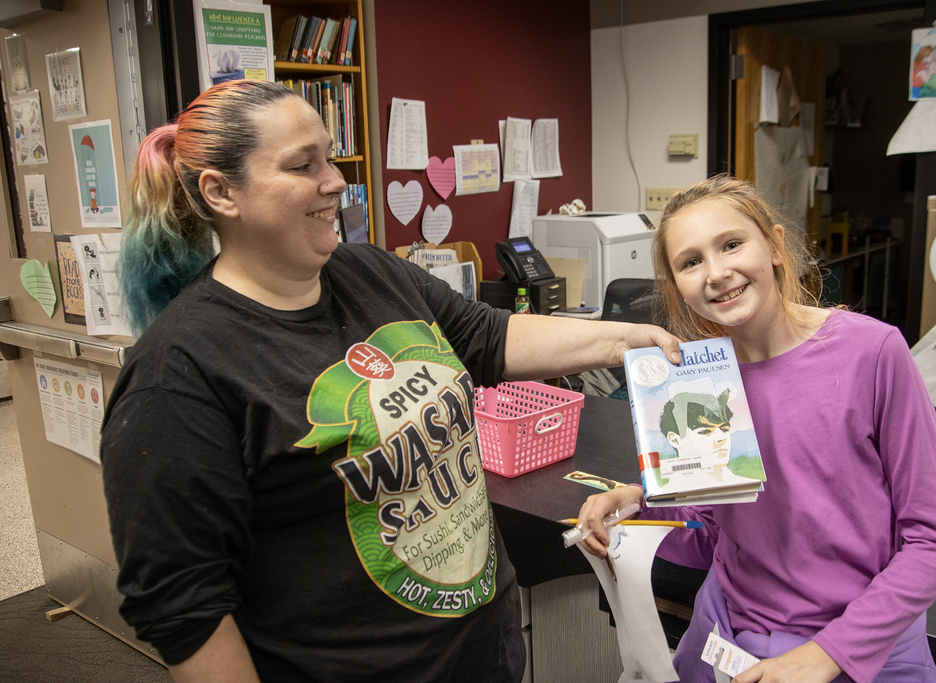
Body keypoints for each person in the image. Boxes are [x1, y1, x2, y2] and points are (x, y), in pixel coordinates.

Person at [100, 79, 682, 683]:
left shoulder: (367, 270)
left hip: (484, 648)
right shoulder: (176, 375)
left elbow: (488, 336)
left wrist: (626, 340)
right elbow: (183, 609)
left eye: (329, 156)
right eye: (303, 165)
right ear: (221, 192)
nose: (335, 182)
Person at [575, 175, 936, 683]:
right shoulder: (699, 380)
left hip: (855, 646)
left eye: (732, 244)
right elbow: (712, 533)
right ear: (675, 286)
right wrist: (636, 506)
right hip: (726, 636)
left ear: (777, 246)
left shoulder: (873, 354)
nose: (716, 273)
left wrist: (827, 655)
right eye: (690, 262)